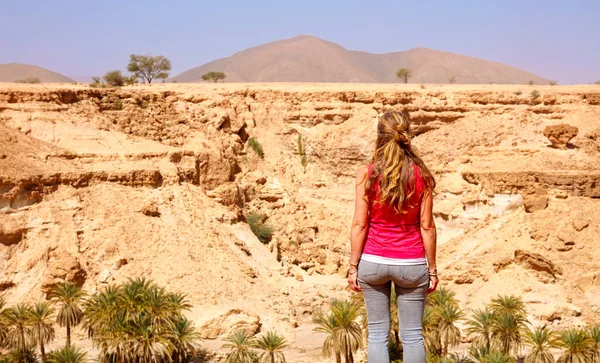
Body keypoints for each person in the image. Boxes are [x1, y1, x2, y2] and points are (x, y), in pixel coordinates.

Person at [347, 111, 438, 363]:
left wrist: (353, 267)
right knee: (412, 336)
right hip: (411, 264)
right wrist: (432, 270)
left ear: (379, 135)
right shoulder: (423, 175)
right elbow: (427, 226)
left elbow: (359, 224)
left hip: (373, 262)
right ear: (407, 135)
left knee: (377, 335)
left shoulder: (367, 174)